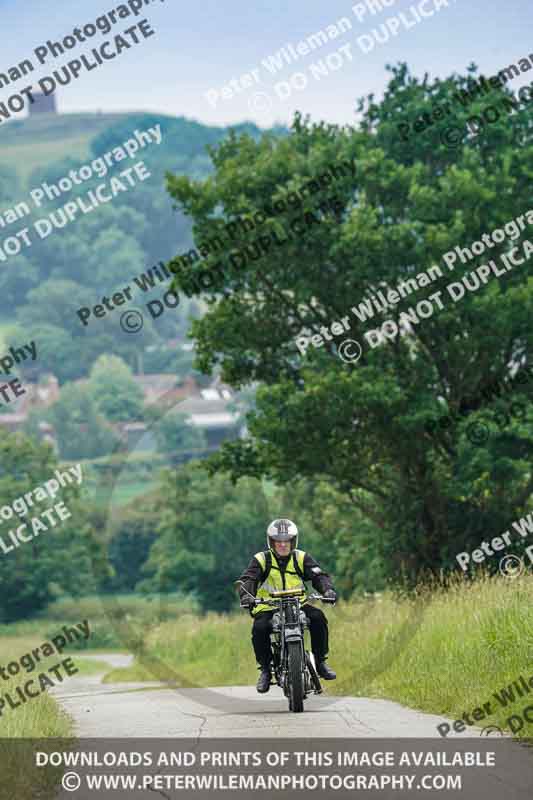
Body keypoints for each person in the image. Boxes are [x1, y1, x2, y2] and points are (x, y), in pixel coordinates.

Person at [238, 518, 338, 693]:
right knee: (260, 628)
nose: (283, 545)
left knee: (318, 618)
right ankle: (266, 671)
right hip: (269, 606)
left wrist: (327, 590)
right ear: (271, 542)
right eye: (278, 542)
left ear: (293, 541)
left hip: (297, 604)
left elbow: (318, 576)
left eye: (287, 541)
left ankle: (321, 662)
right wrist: (247, 596)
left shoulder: (301, 557)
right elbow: (249, 579)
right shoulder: (261, 559)